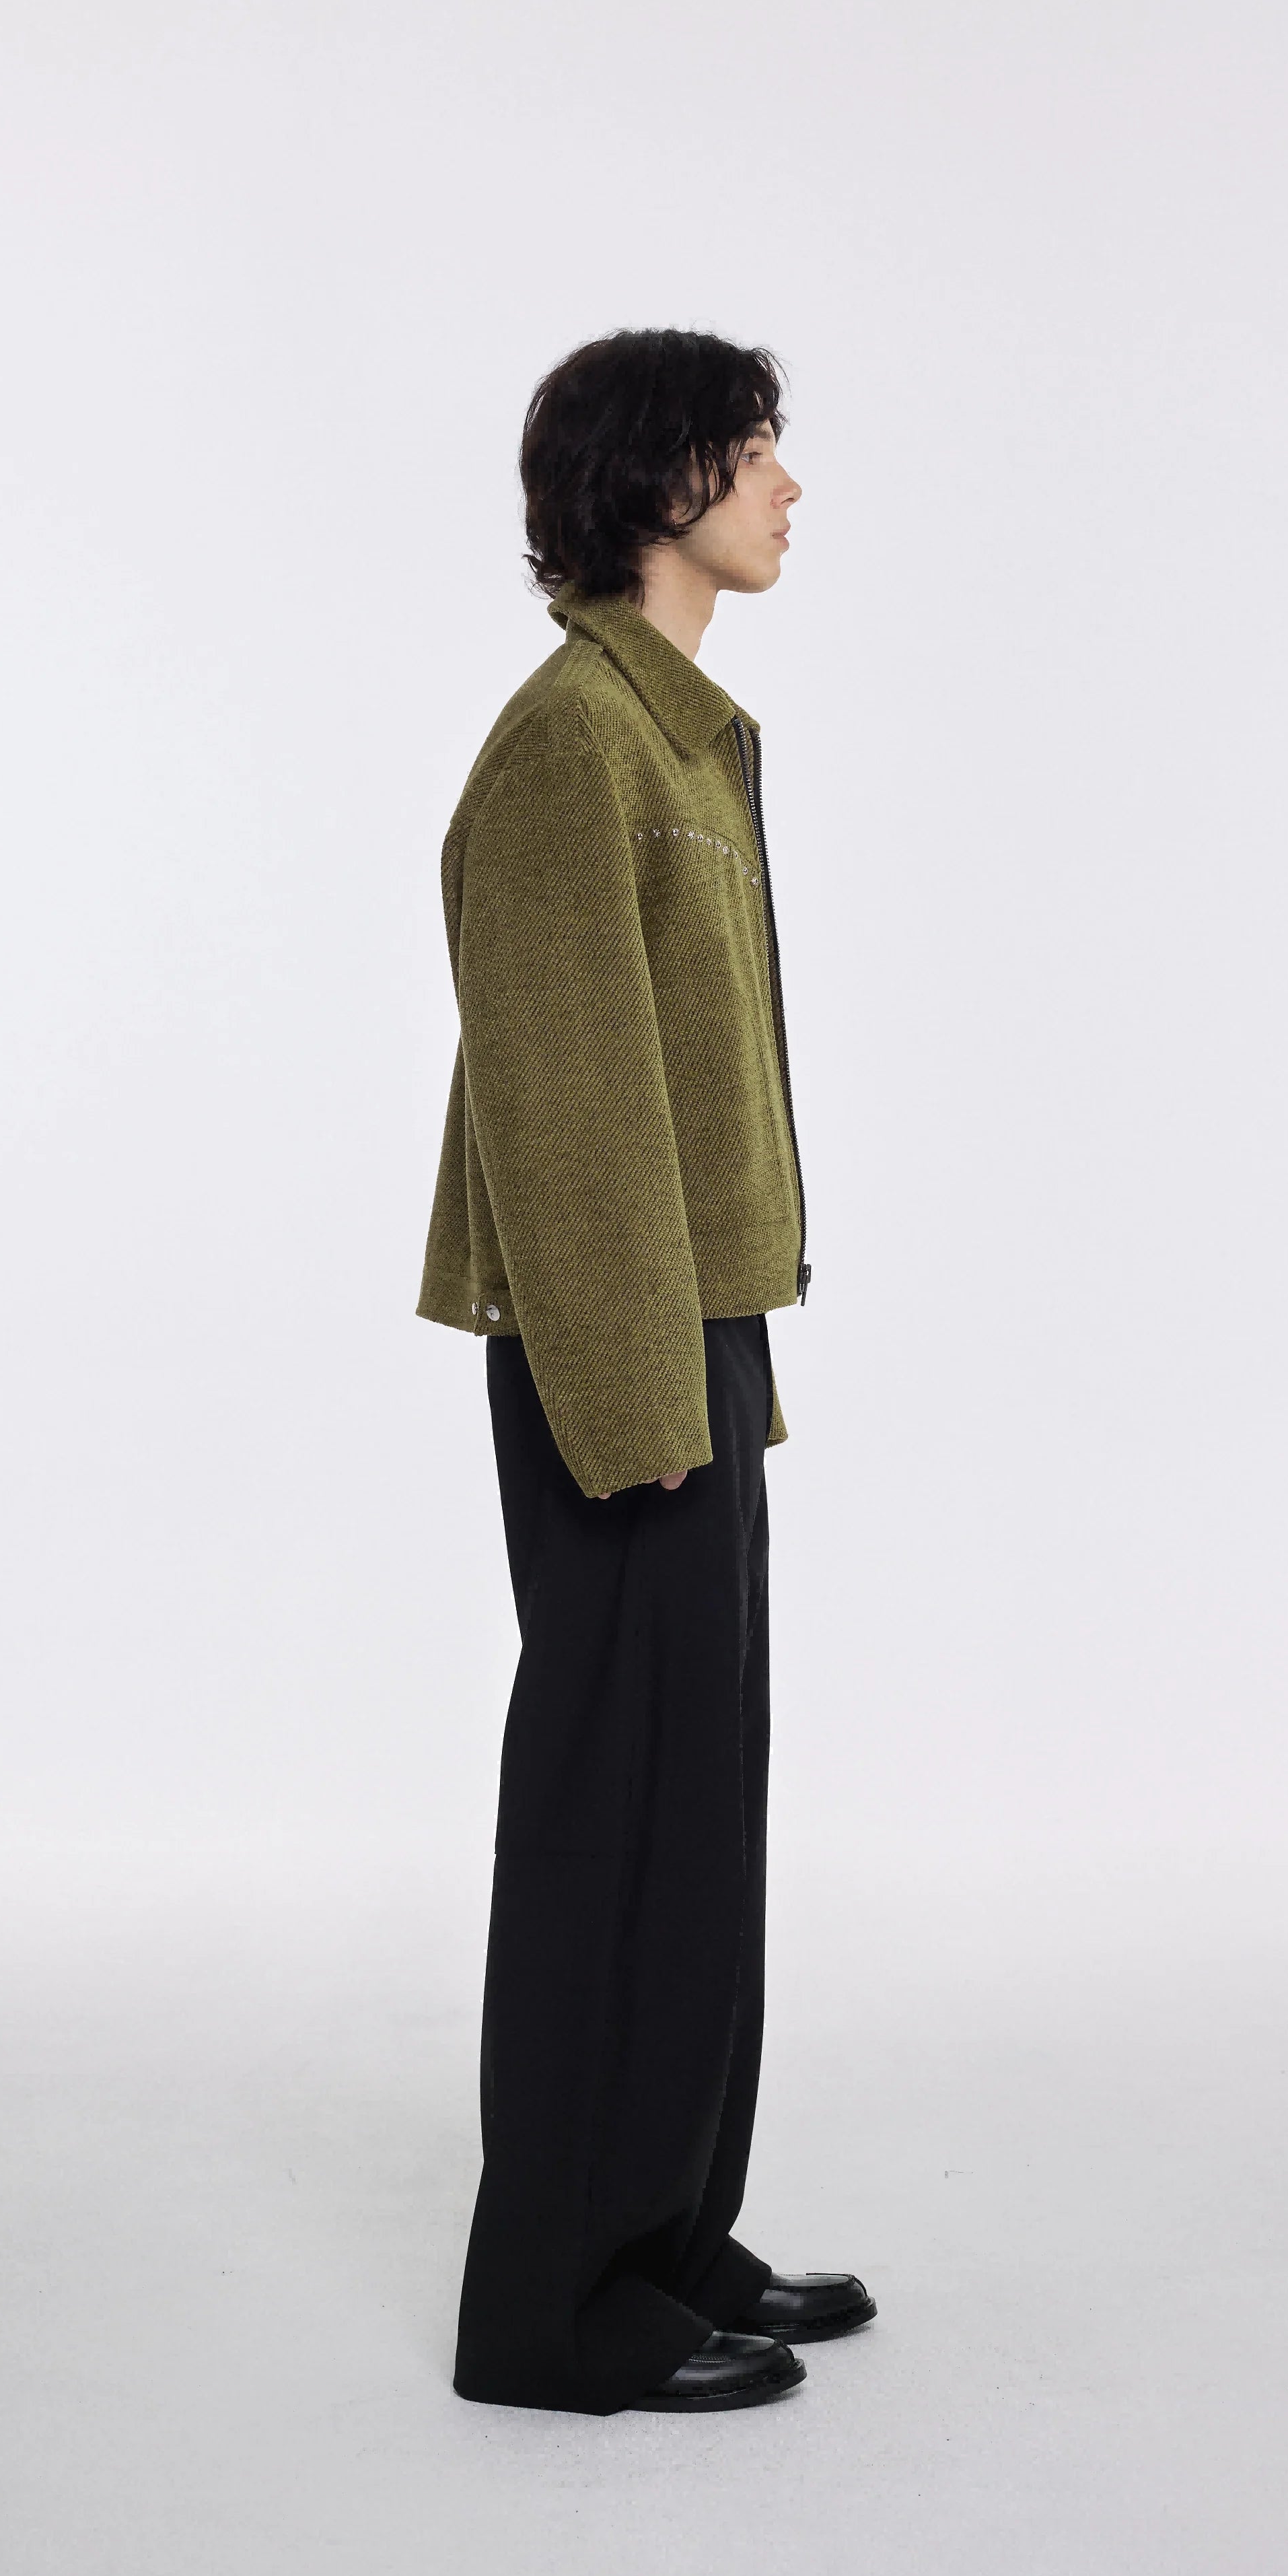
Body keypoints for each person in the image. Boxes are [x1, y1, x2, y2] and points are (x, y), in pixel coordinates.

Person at [417, 327, 874, 2416]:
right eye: (757, 450)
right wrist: (634, 1405)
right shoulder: (569, 747)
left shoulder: (676, 739)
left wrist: (722, 1366)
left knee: (701, 1806)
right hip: (617, 1356)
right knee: (616, 1810)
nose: (788, 486)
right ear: (663, 482)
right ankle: (558, 2311)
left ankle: (671, 2235)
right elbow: (563, 1110)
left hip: (698, 1334)